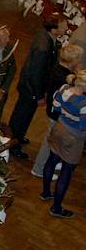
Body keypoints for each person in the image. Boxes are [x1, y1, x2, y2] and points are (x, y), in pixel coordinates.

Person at [7, 13, 66, 160]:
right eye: (63, 26)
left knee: (22, 114)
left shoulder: (44, 35)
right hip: (31, 88)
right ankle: (14, 143)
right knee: (23, 116)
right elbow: (36, 74)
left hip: (29, 86)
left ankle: (17, 136)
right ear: (54, 30)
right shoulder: (43, 48)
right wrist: (39, 96)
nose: (66, 28)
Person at [32, 44, 83, 177]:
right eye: (79, 59)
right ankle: (38, 168)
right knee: (49, 142)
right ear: (73, 61)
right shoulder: (63, 77)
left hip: (55, 111)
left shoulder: (58, 69)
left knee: (54, 139)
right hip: (56, 114)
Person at [40, 69, 86, 218]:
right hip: (73, 137)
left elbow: (56, 107)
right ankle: (56, 208)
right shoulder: (84, 103)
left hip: (58, 128)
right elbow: (82, 126)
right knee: (66, 172)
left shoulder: (64, 88)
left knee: (52, 159)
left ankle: (46, 192)